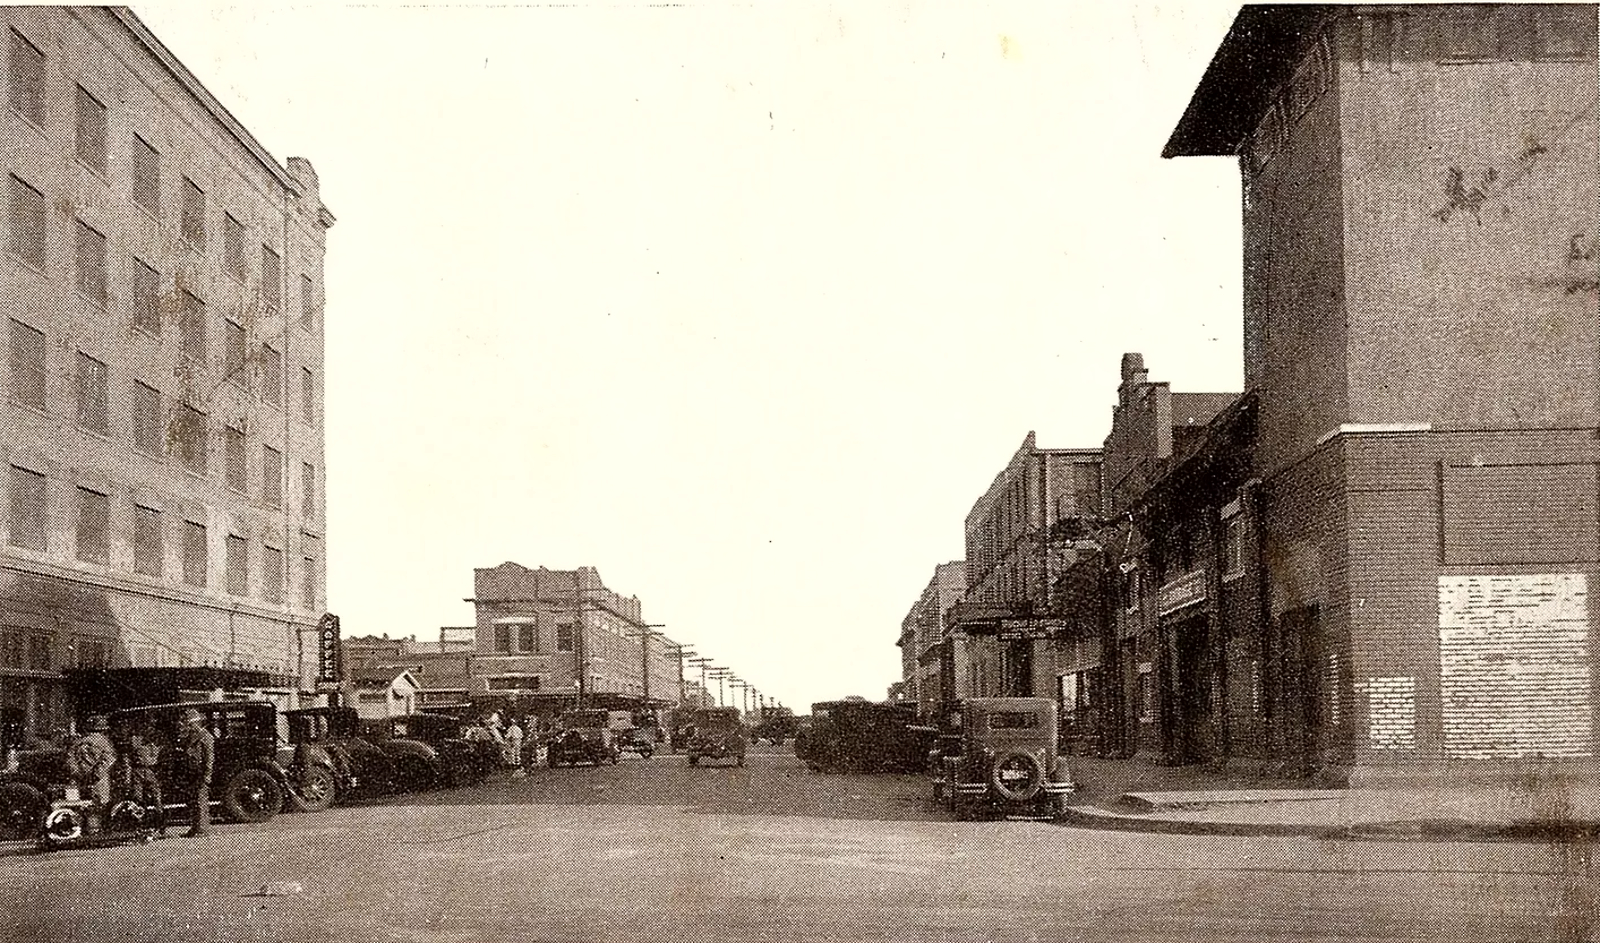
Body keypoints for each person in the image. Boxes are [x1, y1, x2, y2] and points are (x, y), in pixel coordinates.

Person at [68, 715, 118, 830]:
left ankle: (79, 828)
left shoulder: (78, 742)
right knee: (99, 803)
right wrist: (97, 773)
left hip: (80, 778)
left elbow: (70, 760)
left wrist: (78, 773)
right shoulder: (104, 741)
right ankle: (96, 829)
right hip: (99, 779)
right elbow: (110, 759)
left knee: (80, 803)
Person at [175, 708, 214, 837]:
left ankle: (203, 829)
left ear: (196, 723)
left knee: (200, 800)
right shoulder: (190, 737)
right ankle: (195, 827)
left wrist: (207, 775)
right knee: (192, 800)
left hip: (200, 771)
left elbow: (209, 758)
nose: (188, 726)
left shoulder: (206, 737)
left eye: (189, 723)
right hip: (190, 771)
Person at [125, 722, 166, 837]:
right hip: (138, 771)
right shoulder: (135, 741)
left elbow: (160, 759)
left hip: (152, 772)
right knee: (138, 800)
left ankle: (160, 824)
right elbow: (128, 761)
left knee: (157, 799)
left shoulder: (156, 742)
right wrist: (128, 778)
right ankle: (141, 825)